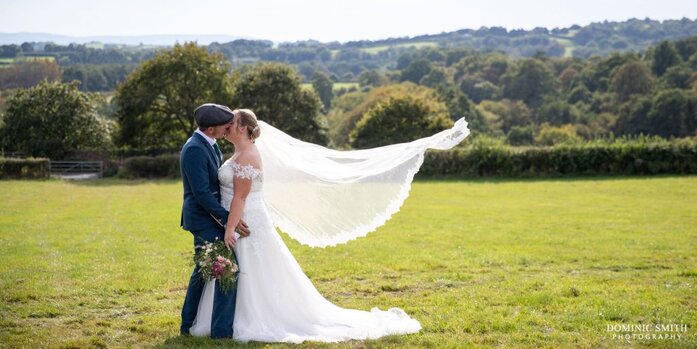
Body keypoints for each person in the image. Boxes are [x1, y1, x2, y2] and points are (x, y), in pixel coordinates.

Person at [188, 108, 470, 342]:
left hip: (245, 220)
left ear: (245, 128)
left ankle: (254, 318)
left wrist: (228, 227)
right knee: (240, 269)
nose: (227, 126)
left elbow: (239, 196)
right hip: (239, 219)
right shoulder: (236, 153)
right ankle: (225, 320)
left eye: (233, 123)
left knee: (255, 270)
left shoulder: (248, 155)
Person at [178, 103, 250, 339]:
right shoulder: (194, 150)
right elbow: (202, 194)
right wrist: (228, 218)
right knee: (227, 268)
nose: (228, 128)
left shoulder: (210, 143)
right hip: (202, 218)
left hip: (210, 217)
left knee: (203, 269)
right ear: (211, 129)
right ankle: (219, 330)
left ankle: (188, 324)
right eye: (224, 125)